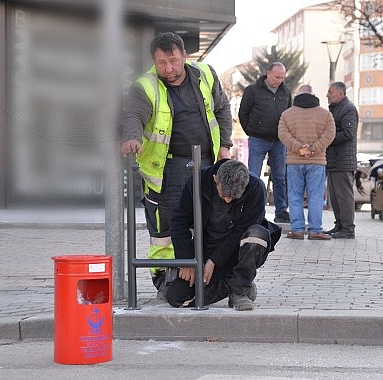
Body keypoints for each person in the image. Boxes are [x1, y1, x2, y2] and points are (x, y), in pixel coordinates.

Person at [121, 32, 232, 298]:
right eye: (161, 63)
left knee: (207, 219)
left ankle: (205, 272)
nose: (168, 69)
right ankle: (164, 278)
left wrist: (225, 146)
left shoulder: (205, 74)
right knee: (166, 226)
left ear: (184, 56)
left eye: (173, 61)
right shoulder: (144, 87)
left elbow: (222, 108)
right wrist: (132, 138)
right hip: (167, 169)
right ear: (153, 61)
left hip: (206, 163)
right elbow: (133, 115)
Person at [166, 159, 281, 311]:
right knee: (176, 297)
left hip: (238, 251)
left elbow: (242, 230)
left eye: (233, 197)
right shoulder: (198, 182)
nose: (228, 200)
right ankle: (232, 285)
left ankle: (240, 288)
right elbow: (179, 221)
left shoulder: (256, 187)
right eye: (224, 195)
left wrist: (214, 261)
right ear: (216, 179)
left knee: (256, 234)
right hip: (207, 247)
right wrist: (187, 261)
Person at [278, 85, 336, 240]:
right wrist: (314, 148)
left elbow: (282, 134)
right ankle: (315, 230)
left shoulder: (287, 114)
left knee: (295, 196)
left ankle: (297, 230)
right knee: (315, 197)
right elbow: (330, 134)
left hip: (294, 161)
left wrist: (299, 149)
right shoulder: (325, 114)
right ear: (313, 94)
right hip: (317, 161)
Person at [238, 62, 292, 224]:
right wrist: (252, 131)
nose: (279, 80)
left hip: (279, 141)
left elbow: (289, 114)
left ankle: (281, 210)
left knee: (280, 176)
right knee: (253, 175)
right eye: (277, 77)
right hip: (257, 139)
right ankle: (252, 210)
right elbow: (243, 113)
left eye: (282, 77)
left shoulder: (286, 92)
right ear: (268, 73)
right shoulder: (252, 90)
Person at [325, 81, 358, 239]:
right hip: (333, 160)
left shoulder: (348, 109)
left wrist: (327, 139)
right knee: (335, 196)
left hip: (343, 160)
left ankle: (348, 228)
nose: (327, 95)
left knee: (344, 196)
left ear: (340, 93)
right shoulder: (336, 109)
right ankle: (340, 225)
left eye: (330, 92)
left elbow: (348, 133)